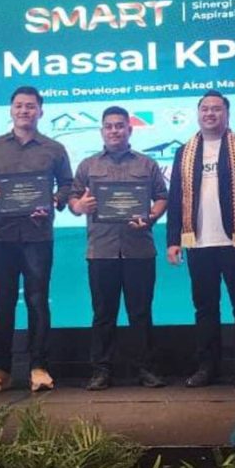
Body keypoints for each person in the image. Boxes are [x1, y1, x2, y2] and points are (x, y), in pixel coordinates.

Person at [0, 86, 73, 392]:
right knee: (3, 304)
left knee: (37, 302)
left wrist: (55, 199)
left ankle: (39, 367)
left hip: (38, 237)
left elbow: (67, 184)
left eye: (30, 106)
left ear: (40, 111)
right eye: (19, 106)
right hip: (1, 236)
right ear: (11, 110)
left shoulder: (54, 149)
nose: (24, 111)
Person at [166, 89, 235, 389]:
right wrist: (173, 240)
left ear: (227, 113)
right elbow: (175, 198)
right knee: (205, 308)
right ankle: (207, 367)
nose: (210, 113)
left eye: (217, 109)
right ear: (198, 114)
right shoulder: (183, 152)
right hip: (198, 242)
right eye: (205, 109)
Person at [69, 106, 169, 390]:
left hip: (140, 250)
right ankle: (101, 371)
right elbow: (73, 200)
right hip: (101, 251)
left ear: (129, 129)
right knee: (103, 314)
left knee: (141, 313)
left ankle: (146, 369)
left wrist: (151, 217)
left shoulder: (147, 164)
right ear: (102, 130)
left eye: (120, 125)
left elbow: (162, 197)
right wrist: (79, 206)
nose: (114, 130)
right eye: (109, 126)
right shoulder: (87, 165)